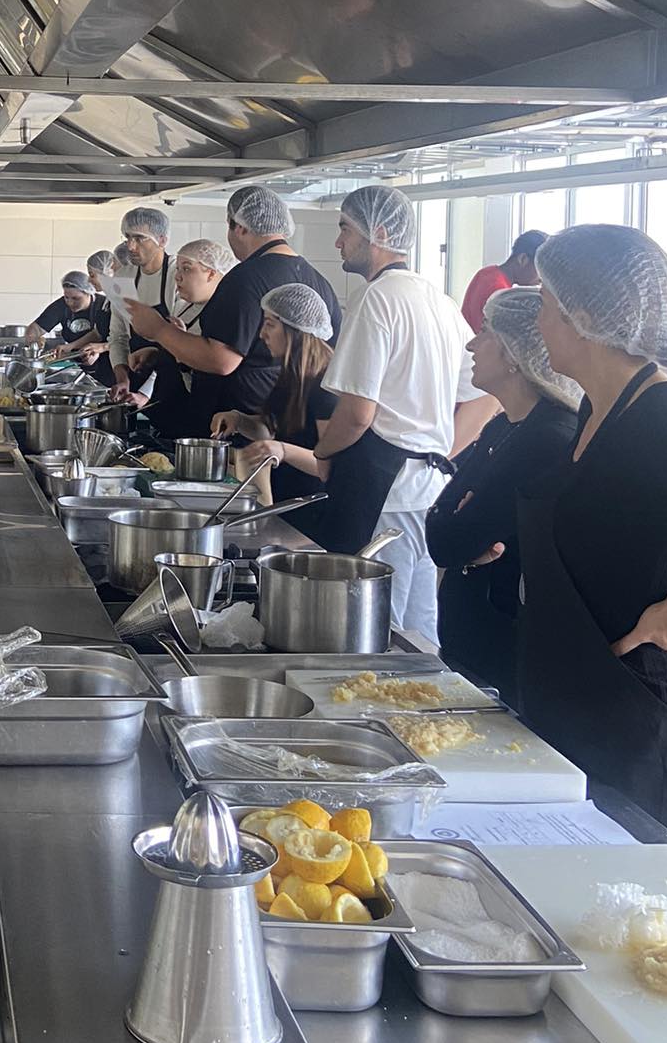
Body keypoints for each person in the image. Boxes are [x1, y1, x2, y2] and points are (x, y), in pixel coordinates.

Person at [517, 224, 667, 863]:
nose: (537, 321)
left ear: (585, 317)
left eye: (545, 303)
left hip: (643, 722)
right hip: (584, 707)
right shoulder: (598, 407)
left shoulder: (664, 422)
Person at [318, 185, 490, 642]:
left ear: (377, 232)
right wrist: (440, 449)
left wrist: (322, 452)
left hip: (381, 492)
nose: (338, 241)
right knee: (418, 630)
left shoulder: (376, 299)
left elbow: (357, 413)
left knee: (369, 629)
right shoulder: (439, 300)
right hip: (428, 490)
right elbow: (485, 397)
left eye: (345, 229)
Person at [424, 287, 580, 700]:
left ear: (515, 353)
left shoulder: (548, 439)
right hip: (470, 643)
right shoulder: (502, 426)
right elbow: (439, 524)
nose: (472, 344)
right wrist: (462, 527)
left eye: (486, 331)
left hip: (504, 652)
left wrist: (462, 528)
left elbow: (450, 541)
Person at [125, 187, 340, 439]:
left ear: (239, 227)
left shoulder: (246, 278)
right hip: (280, 426)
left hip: (236, 429)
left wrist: (159, 330)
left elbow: (221, 359)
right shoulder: (319, 281)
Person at [213, 282, 339, 506]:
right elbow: (272, 429)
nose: (262, 334)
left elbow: (329, 465)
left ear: (295, 331)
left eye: (270, 324)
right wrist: (239, 420)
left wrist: (283, 450)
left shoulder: (325, 385)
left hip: (314, 504)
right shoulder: (292, 375)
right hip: (288, 500)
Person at [129, 239, 234, 424]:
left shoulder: (223, 317)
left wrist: (180, 355)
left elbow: (206, 379)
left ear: (211, 273)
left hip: (199, 419)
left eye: (186, 269)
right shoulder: (186, 307)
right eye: (177, 269)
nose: (177, 277)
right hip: (168, 412)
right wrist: (156, 354)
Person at [107, 208, 176, 400]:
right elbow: (118, 337)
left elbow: (182, 341)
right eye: (128, 238)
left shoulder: (177, 275)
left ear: (162, 240)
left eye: (139, 238)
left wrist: (146, 393)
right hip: (135, 382)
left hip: (174, 382)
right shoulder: (123, 277)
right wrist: (122, 378)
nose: (130, 246)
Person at [461, 230, 548, 332]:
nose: (541, 279)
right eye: (540, 270)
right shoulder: (499, 292)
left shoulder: (487, 272)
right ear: (523, 259)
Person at [26, 271, 110, 362]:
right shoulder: (61, 305)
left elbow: (98, 335)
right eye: (66, 297)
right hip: (73, 358)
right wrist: (33, 341)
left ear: (88, 293)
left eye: (76, 298)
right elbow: (37, 328)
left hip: (105, 359)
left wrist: (70, 346)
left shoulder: (104, 306)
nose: (70, 302)